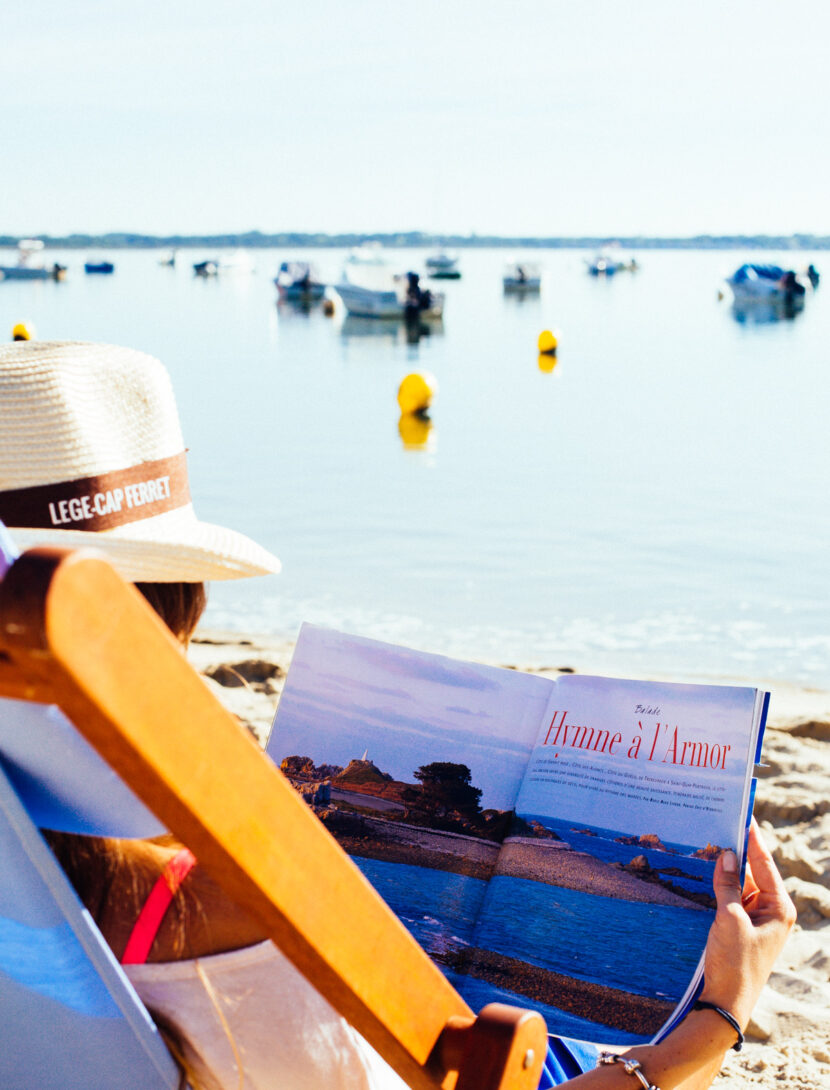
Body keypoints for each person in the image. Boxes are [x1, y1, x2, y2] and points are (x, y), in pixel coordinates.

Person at [0, 340, 796, 1090]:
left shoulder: (43, 867)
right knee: (561, 1042)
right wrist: (710, 1027)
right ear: (178, 605)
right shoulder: (249, 916)